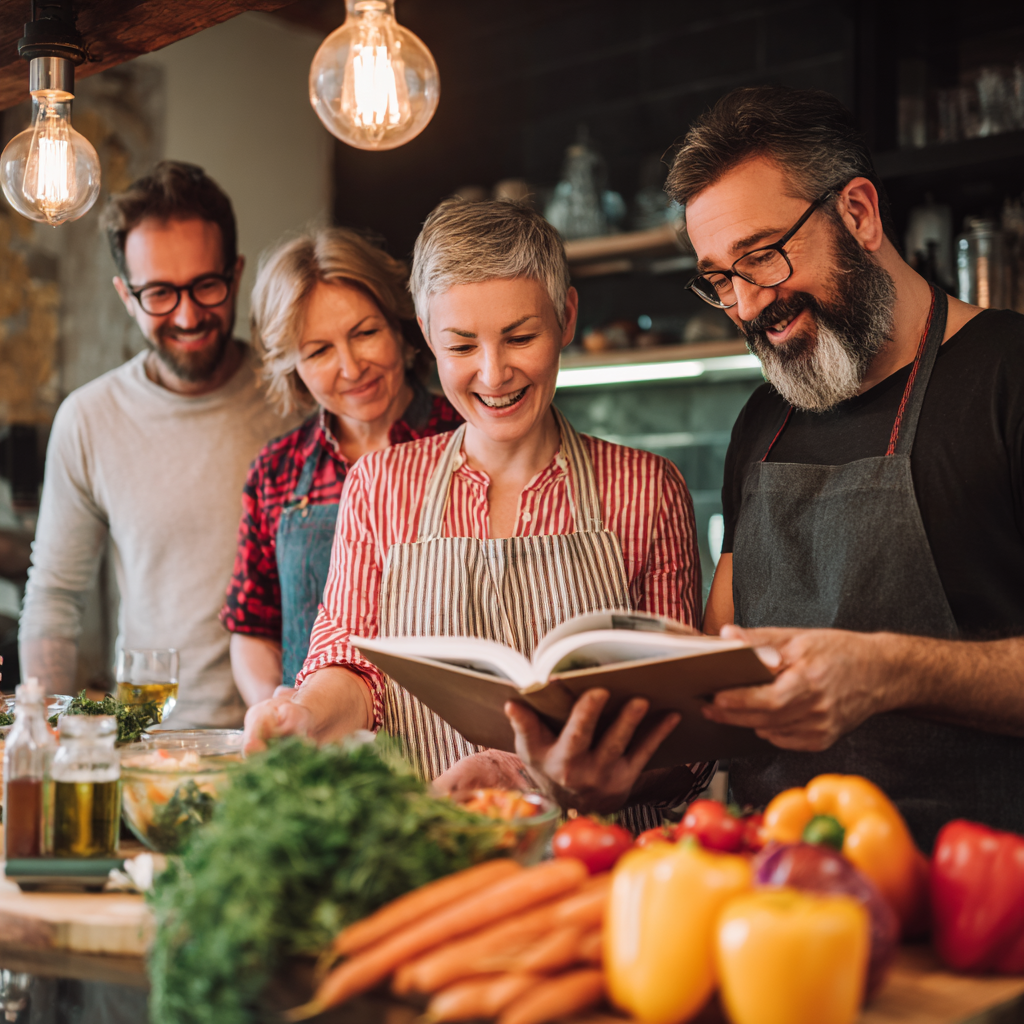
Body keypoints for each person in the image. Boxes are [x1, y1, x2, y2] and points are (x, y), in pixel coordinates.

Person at [243, 198, 711, 830]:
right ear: (427, 335)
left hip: (599, 865)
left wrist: (549, 777)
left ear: (567, 316)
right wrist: (305, 715)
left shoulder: (648, 489)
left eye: (521, 336)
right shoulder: (381, 486)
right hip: (430, 855)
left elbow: (685, 742)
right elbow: (353, 668)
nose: (494, 374)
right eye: (462, 345)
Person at [669, 86, 1024, 850]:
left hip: (981, 908)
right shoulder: (760, 424)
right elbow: (721, 665)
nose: (746, 306)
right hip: (782, 901)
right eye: (720, 278)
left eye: (762, 256)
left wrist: (895, 671)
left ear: (859, 213)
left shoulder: (1010, 377)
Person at [20, 161, 294, 727]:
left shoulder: (297, 394)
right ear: (125, 294)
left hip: (288, 741)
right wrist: (41, 734)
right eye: (160, 294)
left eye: (206, 286)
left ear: (235, 273)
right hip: (150, 741)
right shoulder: (89, 419)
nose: (189, 315)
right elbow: (55, 599)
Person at [220, 228, 462, 704]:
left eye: (365, 333)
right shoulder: (276, 472)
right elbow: (253, 628)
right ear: (293, 365)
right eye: (319, 351)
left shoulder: (468, 439)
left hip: (452, 751)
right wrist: (278, 710)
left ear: (401, 325)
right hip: (321, 751)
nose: (351, 368)